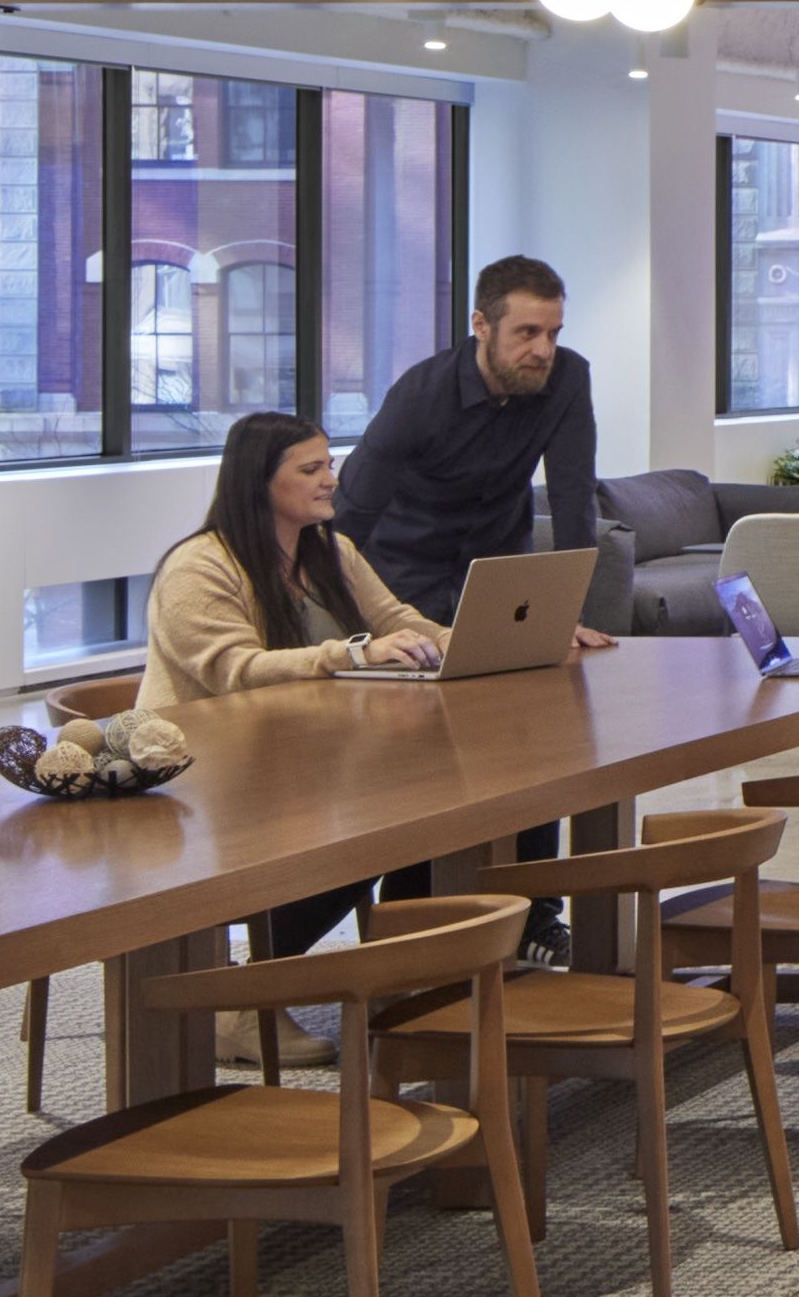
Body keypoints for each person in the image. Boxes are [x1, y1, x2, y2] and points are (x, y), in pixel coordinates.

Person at [138, 411, 449, 1061]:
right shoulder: (199, 568)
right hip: (204, 774)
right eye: (310, 470)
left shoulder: (331, 550)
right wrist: (353, 655)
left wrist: (483, 637)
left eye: (329, 464)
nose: (330, 480)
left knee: (434, 803)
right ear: (259, 483)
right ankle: (243, 1000)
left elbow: (398, 620)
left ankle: (402, 982)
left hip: (305, 757)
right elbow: (236, 674)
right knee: (364, 829)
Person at [335, 255, 621, 636]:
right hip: (405, 575)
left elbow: (573, 498)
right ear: (481, 325)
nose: (544, 350)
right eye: (527, 332)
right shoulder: (420, 395)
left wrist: (567, 613)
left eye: (553, 334)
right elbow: (353, 508)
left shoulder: (567, 379)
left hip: (497, 574)